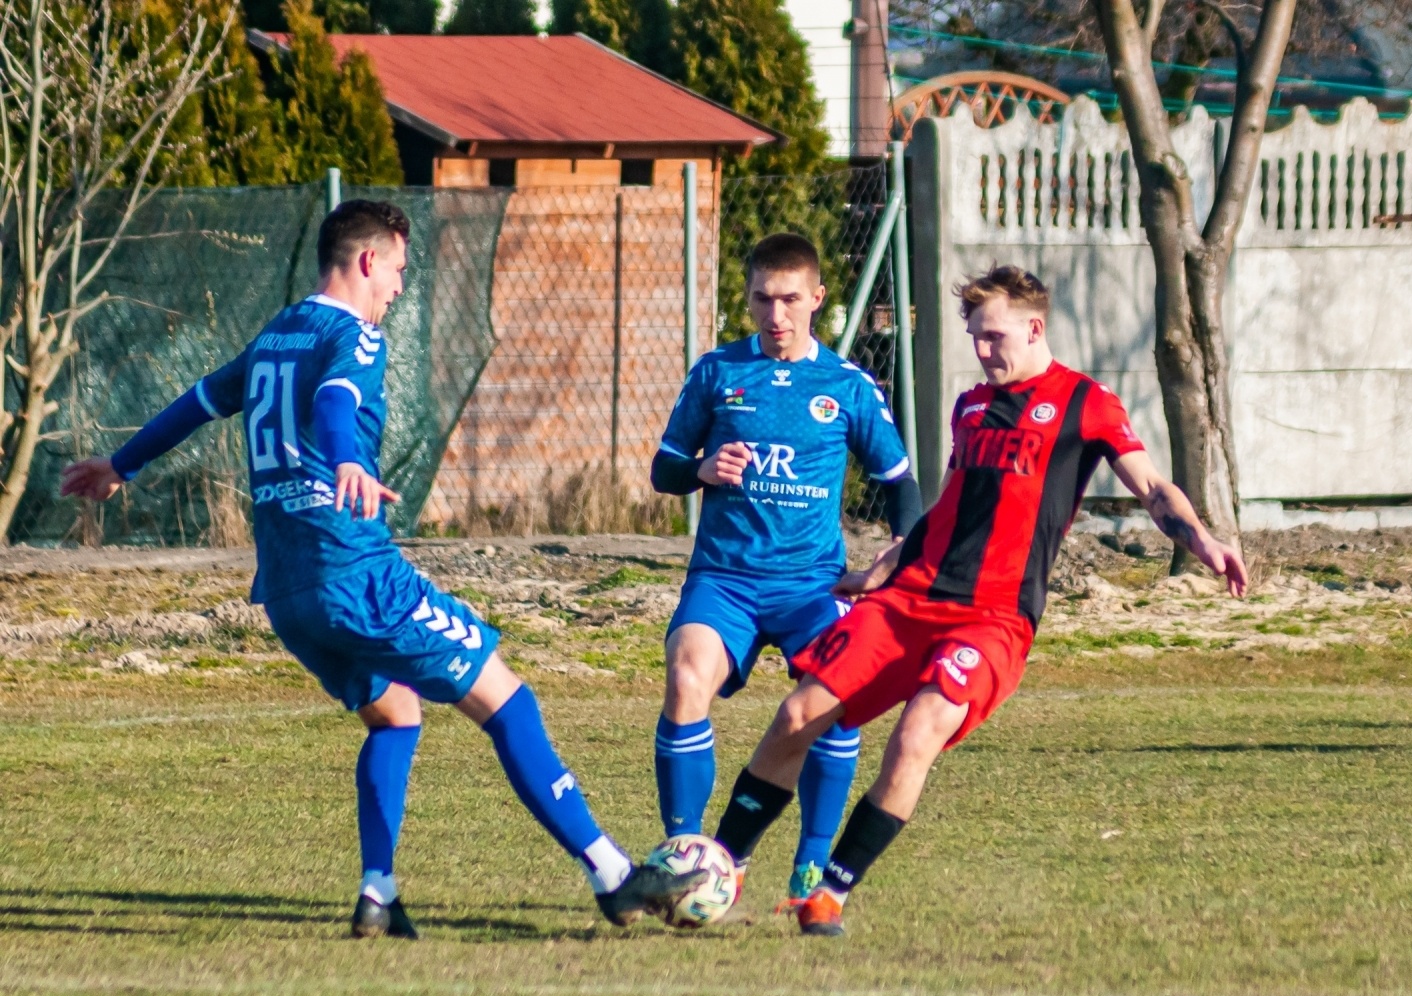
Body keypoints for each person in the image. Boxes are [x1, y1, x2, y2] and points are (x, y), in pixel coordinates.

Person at [60, 199, 701, 938]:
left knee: (395, 714)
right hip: (355, 572)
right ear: (367, 261)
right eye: (398, 268)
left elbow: (201, 401)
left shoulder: (275, 334)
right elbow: (337, 402)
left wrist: (122, 463)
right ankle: (614, 876)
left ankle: (377, 891)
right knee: (509, 701)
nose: (399, 285)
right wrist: (348, 460)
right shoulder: (355, 336)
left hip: (289, 594)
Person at [705, 264, 1249, 936]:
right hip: (910, 599)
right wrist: (883, 568)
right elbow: (949, 507)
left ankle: (830, 893)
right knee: (796, 715)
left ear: (1034, 327)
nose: (985, 351)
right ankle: (717, 865)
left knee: (915, 735)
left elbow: (1153, 488)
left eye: (995, 337)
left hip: (994, 618)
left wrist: (1202, 539)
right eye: (975, 338)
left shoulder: (1086, 403)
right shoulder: (970, 406)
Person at [649, 233, 921, 905]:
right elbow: (663, 469)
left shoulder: (846, 386)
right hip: (724, 580)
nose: (776, 315)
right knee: (686, 678)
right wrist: (701, 469)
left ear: (817, 299)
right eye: (763, 300)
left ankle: (810, 861)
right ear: (747, 298)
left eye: (790, 299)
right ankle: (687, 854)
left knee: (837, 696)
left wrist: (899, 547)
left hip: (812, 586)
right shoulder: (716, 372)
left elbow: (900, 480)